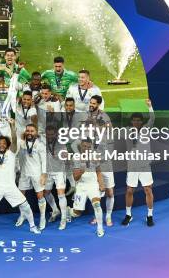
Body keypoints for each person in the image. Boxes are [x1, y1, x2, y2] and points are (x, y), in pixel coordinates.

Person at [123, 98, 156, 227]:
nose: (136, 122)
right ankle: (128, 214)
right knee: (129, 190)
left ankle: (150, 215)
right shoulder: (126, 130)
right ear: (131, 121)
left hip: (144, 165)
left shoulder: (146, 129)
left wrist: (150, 107)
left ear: (141, 121)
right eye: (134, 120)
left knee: (148, 190)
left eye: (138, 120)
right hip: (132, 166)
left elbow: (152, 119)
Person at [68, 138, 106, 238]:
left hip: (93, 185)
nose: (87, 148)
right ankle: (69, 211)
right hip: (81, 186)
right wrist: (81, 171)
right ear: (81, 146)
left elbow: (98, 171)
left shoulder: (95, 157)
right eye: (84, 146)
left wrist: (101, 184)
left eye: (89, 147)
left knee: (97, 205)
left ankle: (100, 228)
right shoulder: (76, 158)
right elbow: (76, 178)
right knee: (77, 213)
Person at [87, 95, 115, 226]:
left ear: (98, 104)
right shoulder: (86, 116)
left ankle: (108, 216)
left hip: (105, 161)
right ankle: (96, 215)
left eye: (93, 103)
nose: (91, 105)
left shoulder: (105, 117)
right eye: (90, 103)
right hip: (93, 162)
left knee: (109, 191)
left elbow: (110, 136)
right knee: (96, 192)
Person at [15, 123, 48, 230]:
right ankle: (23, 214)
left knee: (40, 196)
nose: (29, 133)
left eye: (32, 131)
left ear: (36, 133)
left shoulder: (40, 145)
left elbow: (45, 161)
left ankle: (43, 218)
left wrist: (43, 174)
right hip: (24, 173)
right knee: (21, 196)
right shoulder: (21, 144)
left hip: (37, 174)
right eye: (27, 131)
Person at [42, 124, 68, 230]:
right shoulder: (43, 142)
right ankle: (55, 210)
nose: (50, 136)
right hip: (48, 172)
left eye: (52, 134)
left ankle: (63, 218)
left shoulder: (61, 143)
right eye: (48, 134)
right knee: (46, 193)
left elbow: (66, 155)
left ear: (56, 134)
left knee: (60, 194)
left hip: (59, 172)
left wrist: (60, 155)